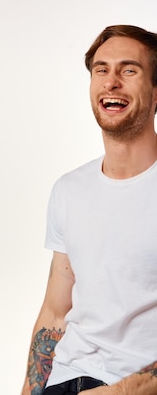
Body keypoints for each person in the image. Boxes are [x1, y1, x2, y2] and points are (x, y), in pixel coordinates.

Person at [21, 25, 157, 395]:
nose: (111, 81)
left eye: (129, 70)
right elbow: (54, 313)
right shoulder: (69, 190)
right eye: (101, 70)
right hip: (63, 380)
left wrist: (125, 390)